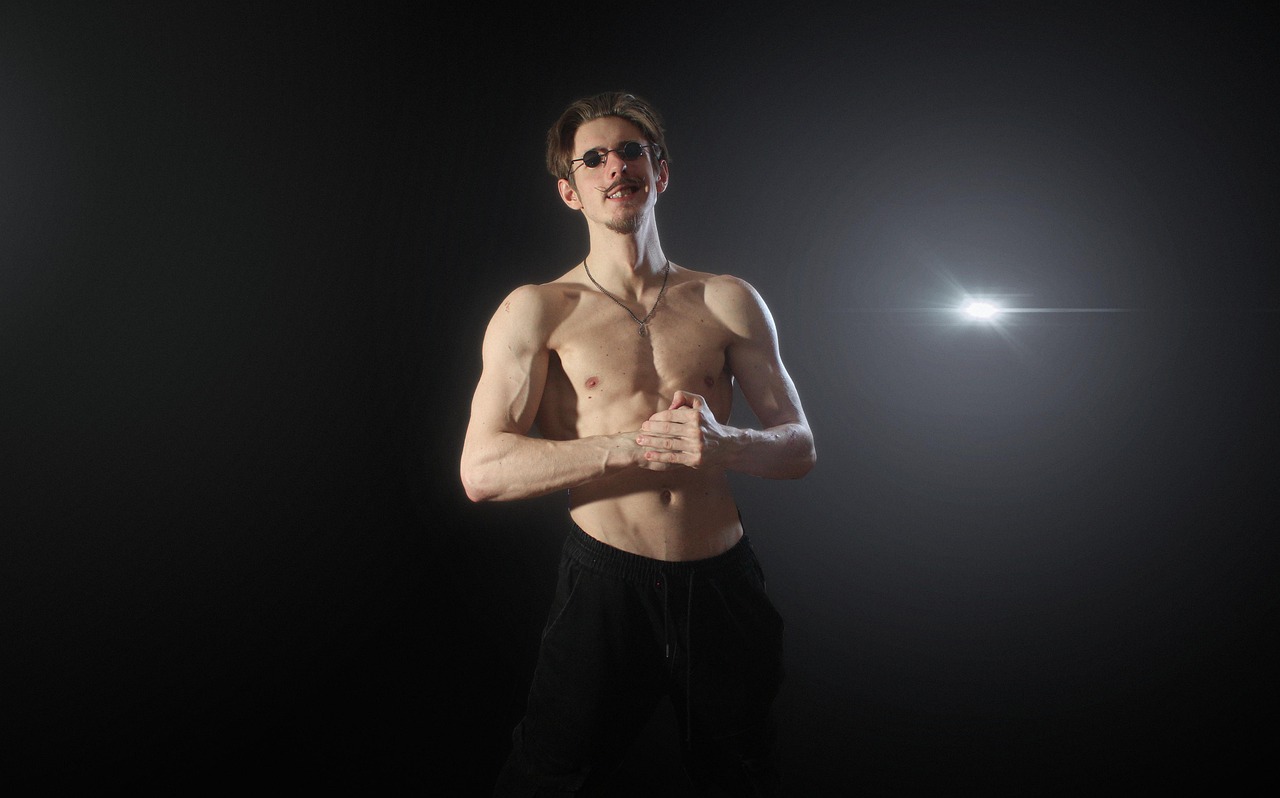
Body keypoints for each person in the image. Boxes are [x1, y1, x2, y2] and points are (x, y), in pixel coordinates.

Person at [460, 90, 815, 796]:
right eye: (593, 158)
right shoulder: (538, 309)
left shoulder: (727, 298)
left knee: (742, 772)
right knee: (551, 777)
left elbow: (799, 446)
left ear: (661, 172)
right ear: (570, 190)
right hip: (606, 586)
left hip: (722, 583)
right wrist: (631, 444)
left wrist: (728, 446)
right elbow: (482, 470)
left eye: (632, 150)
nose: (615, 165)